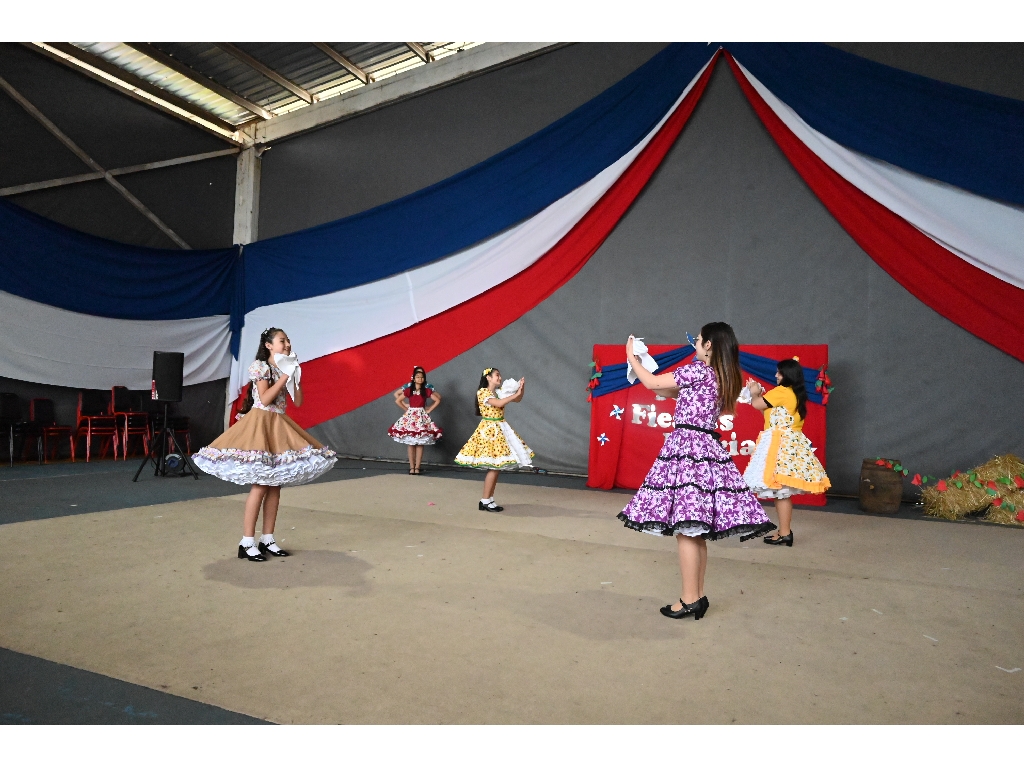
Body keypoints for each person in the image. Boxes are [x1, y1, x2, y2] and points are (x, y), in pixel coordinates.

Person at [618, 323, 776, 620]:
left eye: (699, 340)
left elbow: (653, 383)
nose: (696, 344)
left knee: (687, 531)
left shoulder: (699, 371)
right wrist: (649, 374)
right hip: (705, 448)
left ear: (709, 346)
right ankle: (697, 596)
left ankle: (690, 598)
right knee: (695, 531)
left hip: (688, 449)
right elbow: (671, 392)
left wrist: (632, 358)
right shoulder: (722, 376)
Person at [193, 328, 337, 561]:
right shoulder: (260, 367)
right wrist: (285, 376)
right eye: (282, 340)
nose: (287, 344)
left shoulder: (284, 368)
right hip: (261, 423)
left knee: (275, 485)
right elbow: (266, 398)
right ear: (269, 345)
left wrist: (295, 376)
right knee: (260, 484)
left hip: (278, 424)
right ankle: (247, 541)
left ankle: (267, 538)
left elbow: (298, 401)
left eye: (288, 340)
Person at [742, 358, 830, 547]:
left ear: (787, 375)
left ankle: (785, 533)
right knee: (780, 492)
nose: (776, 375)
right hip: (788, 445)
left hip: (779, 445)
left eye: (779, 372)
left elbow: (757, 405)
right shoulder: (794, 393)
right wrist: (758, 396)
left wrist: (755, 393)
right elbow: (766, 413)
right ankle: (784, 531)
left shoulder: (781, 392)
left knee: (781, 492)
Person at [454, 367, 533, 512]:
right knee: (494, 467)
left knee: (496, 468)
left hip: (500, 429)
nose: (500, 377)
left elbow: (517, 399)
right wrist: (515, 394)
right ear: (488, 377)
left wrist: (521, 389)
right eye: (497, 375)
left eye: (500, 375)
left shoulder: (498, 392)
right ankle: (485, 500)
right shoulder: (483, 392)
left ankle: (488, 499)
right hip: (490, 432)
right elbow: (499, 403)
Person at [388, 366, 443, 474]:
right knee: (411, 443)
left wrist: (429, 409)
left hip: (421, 417)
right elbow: (398, 400)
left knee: (420, 442)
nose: (420, 379)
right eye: (417, 377)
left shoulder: (426, 390)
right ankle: (411, 467)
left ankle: (417, 467)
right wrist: (407, 409)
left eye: (422, 377)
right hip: (411, 417)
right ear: (413, 378)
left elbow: (437, 399)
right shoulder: (408, 390)